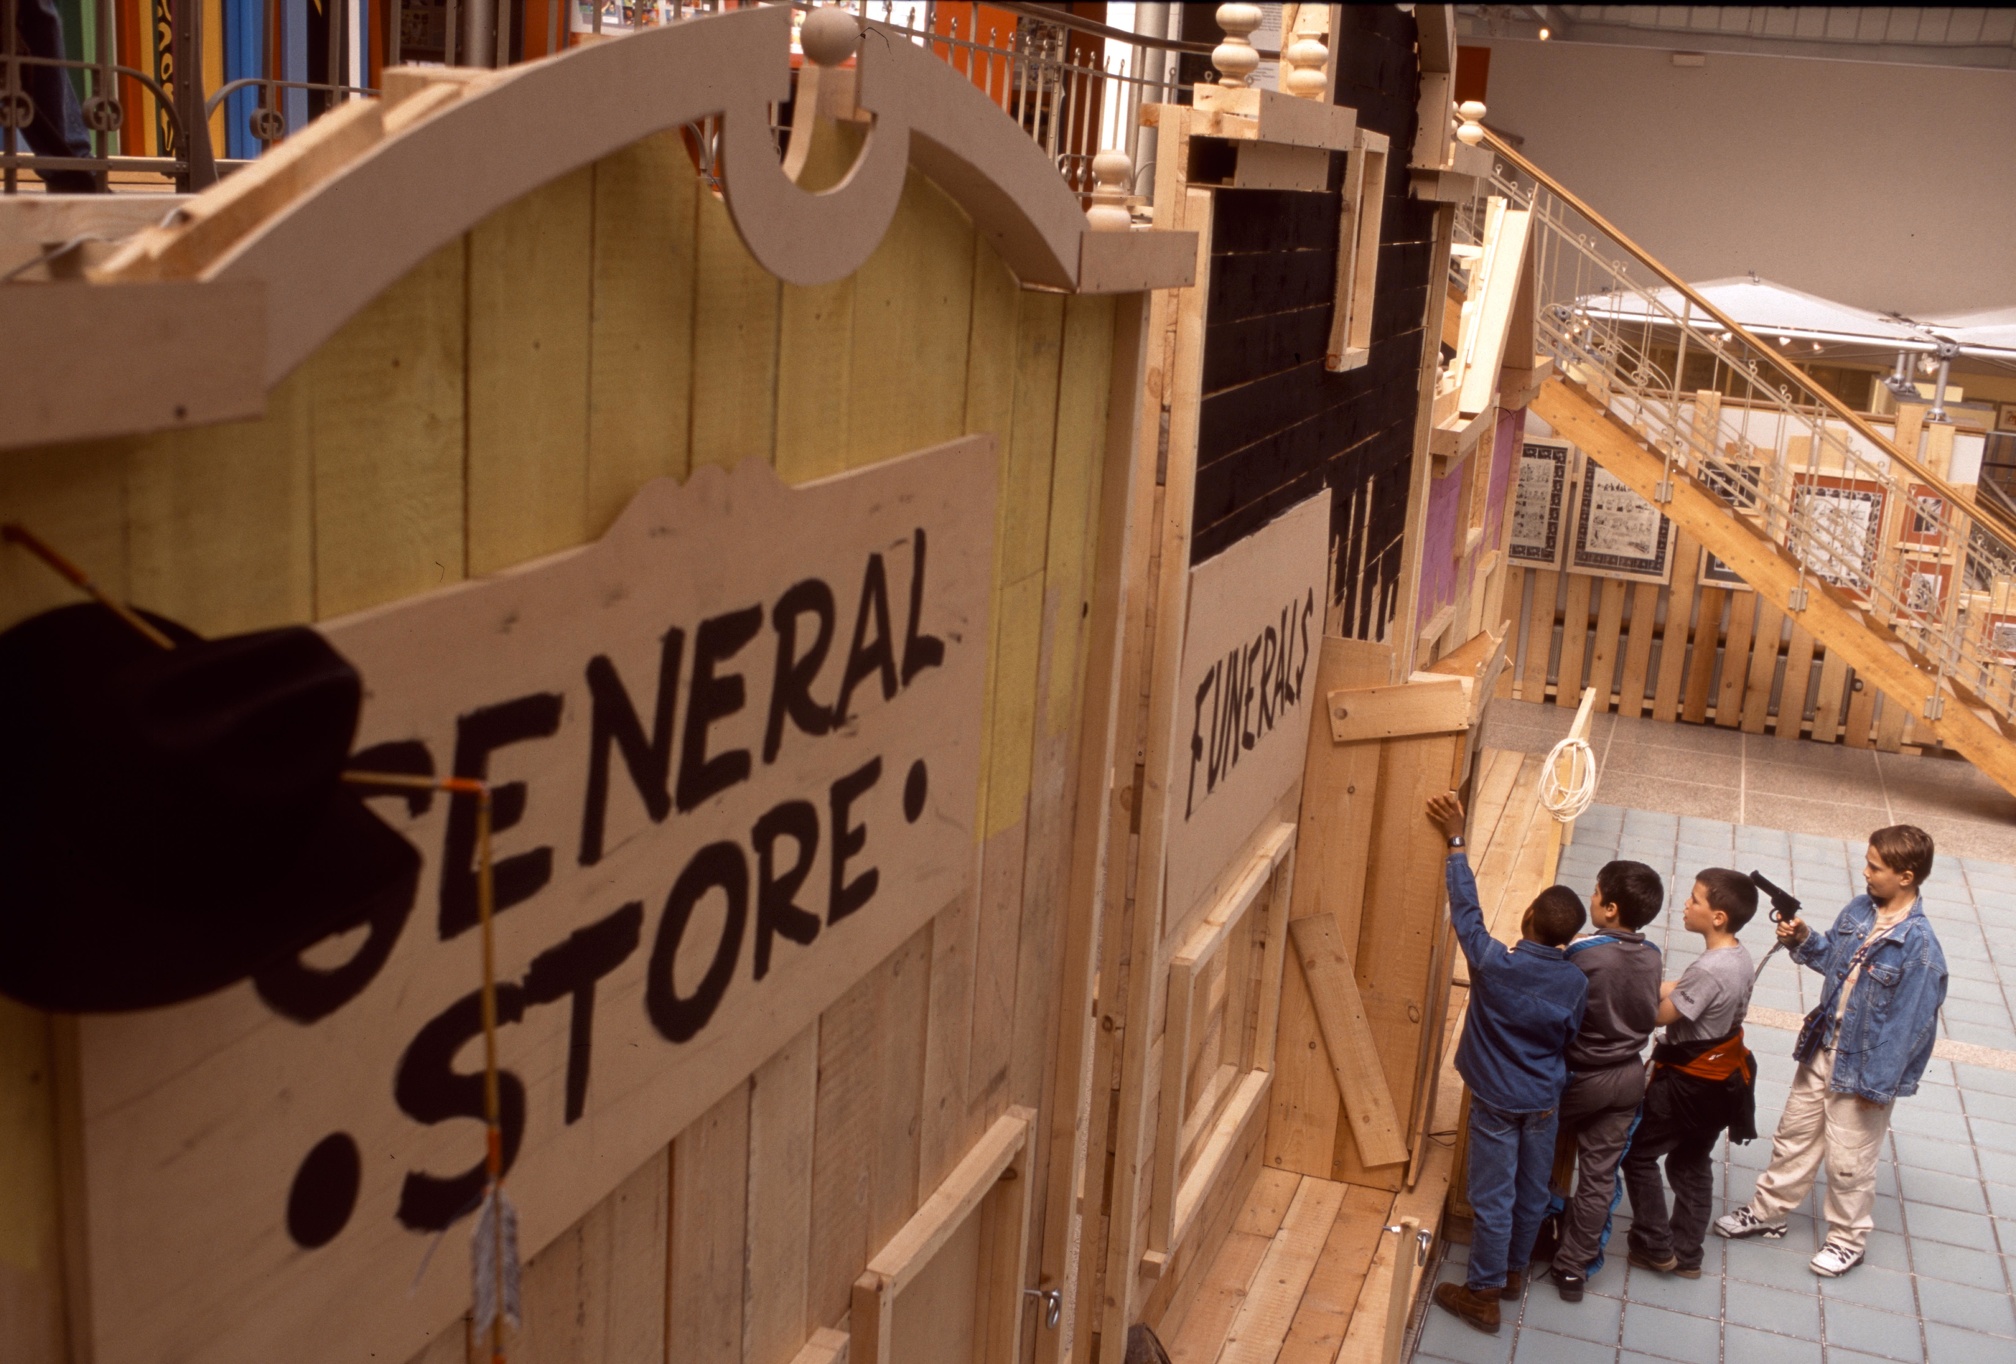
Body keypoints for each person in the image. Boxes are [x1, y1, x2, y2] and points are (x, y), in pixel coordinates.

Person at [1715, 825, 1948, 1278]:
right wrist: (1803, 939)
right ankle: (1769, 1212)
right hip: (1823, 1047)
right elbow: (1834, 962)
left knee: (1849, 1161)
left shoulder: (1920, 949)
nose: (1865, 872)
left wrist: (1876, 1088)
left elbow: (1908, 1029)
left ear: (1906, 876)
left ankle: (1847, 1240)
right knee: (1793, 1137)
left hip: (1864, 1067)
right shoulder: (1861, 910)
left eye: (1875, 867)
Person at [1426, 791, 1588, 1336]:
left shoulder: (1494, 964)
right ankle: (1514, 1271)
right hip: (1543, 1102)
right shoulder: (1575, 981)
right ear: (1569, 938)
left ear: (1527, 918)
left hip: (1496, 1102)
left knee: (1492, 1198)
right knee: (1531, 1192)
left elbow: (1466, 914)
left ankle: (1483, 1294)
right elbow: (1570, 1037)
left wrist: (1455, 841)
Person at [1620, 868, 1759, 1279]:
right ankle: (1687, 1253)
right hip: (1721, 1084)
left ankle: (1654, 1244)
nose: (1686, 903)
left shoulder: (1710, 969)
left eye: (1695, 899)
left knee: (1638, 1154)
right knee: (1691, 1162)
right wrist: (1652, 981)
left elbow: (1660, 1015)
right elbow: (1684, 988)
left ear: (1718, 916)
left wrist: (1621, 982)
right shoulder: (1737, 957)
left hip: (1685, 1087)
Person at [1548, 859, 1665, 1301]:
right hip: (1629, 1077)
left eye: (1596, 893)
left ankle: (1535, 1228)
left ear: (1611, 908)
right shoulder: (1652, 955)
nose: (1592, 898)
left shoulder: (1582, 954)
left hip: (1582, 1077)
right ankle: (1573, 1269)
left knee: (1531, 1144)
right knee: (1599, 1177)